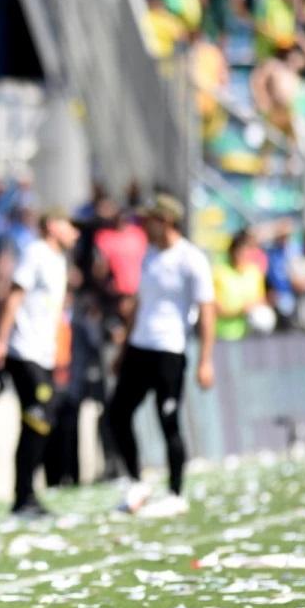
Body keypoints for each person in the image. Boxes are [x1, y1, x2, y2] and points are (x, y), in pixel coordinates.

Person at [107, 193, 215, 517]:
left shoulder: (191, 258)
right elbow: (140, 304)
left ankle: (175, 491)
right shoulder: (150, 255)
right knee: (117, 413)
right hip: (141, 346)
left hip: (169, 350)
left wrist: (206, 359)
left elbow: (207, 310)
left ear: (166, 221)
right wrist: (123, 347)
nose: (144, 226)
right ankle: (136, 480)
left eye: (150, 220)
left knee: (167, 419)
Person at [0, 210, 79, 516]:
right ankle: (23, 496)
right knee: (37, 419)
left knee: (40, 422)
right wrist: (1, 341)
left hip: (43, 353)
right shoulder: (35, 253)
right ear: (53, 225)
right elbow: (14, 297)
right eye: (70, 226)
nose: (75, 233)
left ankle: (26, 495)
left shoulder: (58, 260)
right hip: (23, 351)